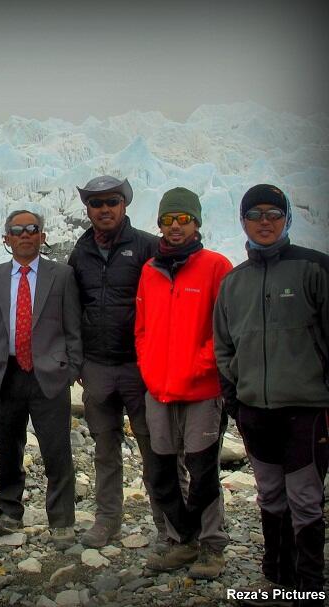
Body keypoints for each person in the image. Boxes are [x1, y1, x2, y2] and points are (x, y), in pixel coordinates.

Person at [214, 184, 329, 604]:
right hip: (254, 409)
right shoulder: (234, 283)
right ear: (242, 221)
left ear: (287, 219)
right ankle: (276, 571)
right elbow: (223, 345)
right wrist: (234, 395)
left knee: (305, 496)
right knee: (270, 492)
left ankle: (309, 582)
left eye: (273, 213)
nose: (265, 221)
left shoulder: (314, 268)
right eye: (255, 214)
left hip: (306, 407)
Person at [135, 187, 233, 579]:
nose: (175, 227)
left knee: (203, 468)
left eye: (183, 219)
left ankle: (212, 546)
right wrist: (148, 365)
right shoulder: (150, 270)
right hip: (158, 388)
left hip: (202, 389)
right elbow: (141, 328)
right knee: (162, 468)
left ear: (197, 222)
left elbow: (225, 330)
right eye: (168, 220)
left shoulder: (216, 266)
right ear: (159, 224)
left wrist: (199, 364)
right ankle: (180, 542)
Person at [68, 175, 171, 548]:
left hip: (139, 367)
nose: (104, 209)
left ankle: (168, 523)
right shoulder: (80, 252)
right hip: (96, 366)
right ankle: (107, 520)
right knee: (104, 448)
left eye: (111, 201)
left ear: (124, 204)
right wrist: (76, 361)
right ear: (88, 209)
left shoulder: (147, 246)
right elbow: (73, 308)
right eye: (96, 203)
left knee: (156, 447)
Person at [0, 210, 82, 547]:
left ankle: (61, 520)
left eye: (32, 229)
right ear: (6, 238)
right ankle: (8, 512)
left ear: (42, 236)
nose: (25, 235)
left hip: (49, 375)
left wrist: (71, 368)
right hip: (5, 374)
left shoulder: (61, 275)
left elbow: (73, 327)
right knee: (7, 448)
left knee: (57, 449)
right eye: (16, 230)